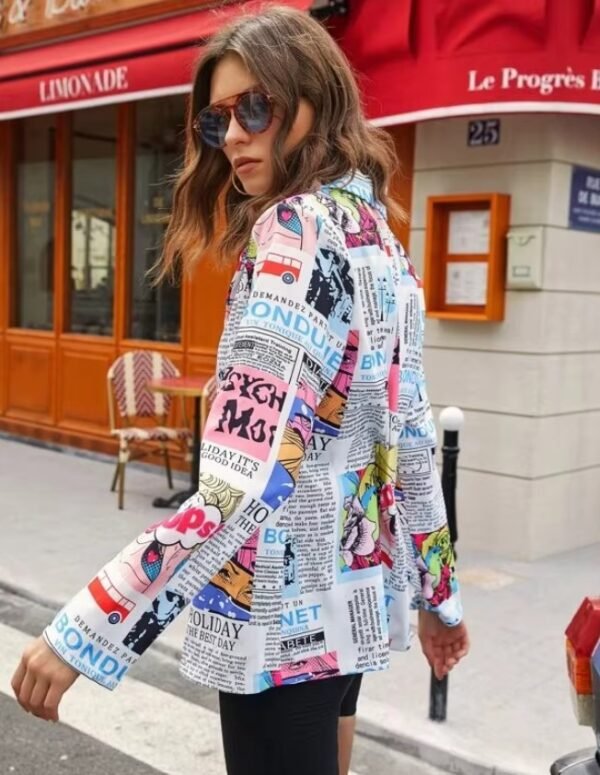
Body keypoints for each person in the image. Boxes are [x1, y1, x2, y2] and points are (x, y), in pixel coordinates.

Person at [11, 7, 469, 775]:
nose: (231, 136)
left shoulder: (291, 233)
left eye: (254, 107)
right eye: (215, 119)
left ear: (314, 100)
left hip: (274, 624)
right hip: (347, 598)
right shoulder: (380, 238)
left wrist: (89, 623)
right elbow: (412, 438)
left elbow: (241, 482)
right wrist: (440, 595)